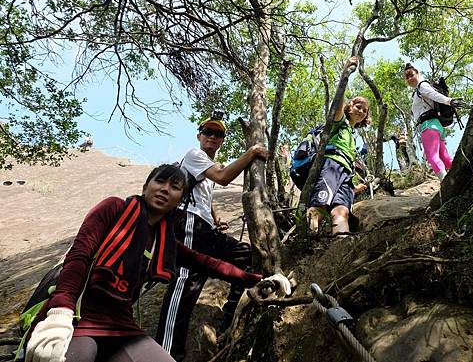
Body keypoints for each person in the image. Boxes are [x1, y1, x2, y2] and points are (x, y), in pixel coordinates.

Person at [24, 164, 275, 362]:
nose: (165, 189)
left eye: (175, 186)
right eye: (160, 181)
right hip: (79, 318)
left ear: (181, 199)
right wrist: (60, 313)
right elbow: (79, 255)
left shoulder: (163, 242)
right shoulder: (114, 208)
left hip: (122, 326)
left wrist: (257, 280)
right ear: (146, 187)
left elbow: (208, 264)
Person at [156, 113, 289, 361]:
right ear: (199, 135)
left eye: (218, 134)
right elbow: (223, 176)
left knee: (248, 257)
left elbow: (204, 193)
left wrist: (216, 218)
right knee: (186, 282)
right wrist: (251, 153)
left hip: (204, 227)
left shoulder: (202, 165)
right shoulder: (194, 155)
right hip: (188, 223)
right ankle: (165, 353)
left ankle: (229, 315)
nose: (213, 137)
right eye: (208, 132)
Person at [307, 56, 371, 236]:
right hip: (331, 166)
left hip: (346, 173)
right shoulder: (340, 122)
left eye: (364, 111)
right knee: (319, 206)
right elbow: (337, 107)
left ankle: (342, 242)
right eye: (358, 106)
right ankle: (309, 243)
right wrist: (345, 75)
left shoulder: (353, 134)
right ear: (350, 107)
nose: (361, 111)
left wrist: (355, 187)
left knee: (341, 210)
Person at [404, 63, 462, 180]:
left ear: (418, 74)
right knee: (444, 157)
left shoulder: (422, 86)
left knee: (432, 157)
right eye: (407, 77)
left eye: (411, 75)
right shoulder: (417, 92)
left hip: (428, 126)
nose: (409, 79)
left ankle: (445, 183)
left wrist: (449, 101)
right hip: (436, 127)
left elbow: (433, 94)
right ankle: (461, 178)